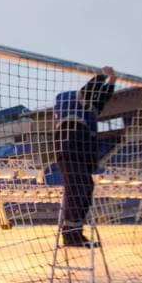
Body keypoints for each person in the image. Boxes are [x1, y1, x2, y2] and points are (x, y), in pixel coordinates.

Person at [53, 66, 117, 248]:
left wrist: (112, 82)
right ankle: (70, 236)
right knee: (77, 191)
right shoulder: (75, 109)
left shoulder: (88, 111)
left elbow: (102, 99)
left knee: (86, 189)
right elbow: (88, 91)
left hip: (84, 155)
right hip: (70, 153)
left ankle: (76, 232)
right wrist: (102, 76)